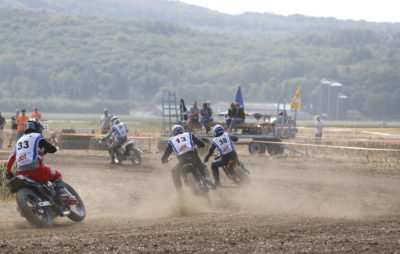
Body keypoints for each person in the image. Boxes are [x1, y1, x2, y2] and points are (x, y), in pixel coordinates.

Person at [5, 119, 76, 204]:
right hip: (36, 170)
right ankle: (61, 195)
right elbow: (51, 149)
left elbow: (11, 158)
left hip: (20, 173)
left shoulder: (19, 141)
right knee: (57, 175)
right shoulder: (37, 137)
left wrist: (8, 172)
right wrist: (52, 148)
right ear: (37, 128)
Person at [161, 125, 214, 192]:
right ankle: (207, 179)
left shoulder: (171, 140)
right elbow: (201, 144)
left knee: (174, 172)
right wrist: (200, 145)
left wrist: (164, 160)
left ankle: (180, 192)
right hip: (194, 157)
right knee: (203, 167)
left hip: (183, 160)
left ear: (173, 133)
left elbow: (166, 153)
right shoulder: (189, 134)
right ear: (182, 130)